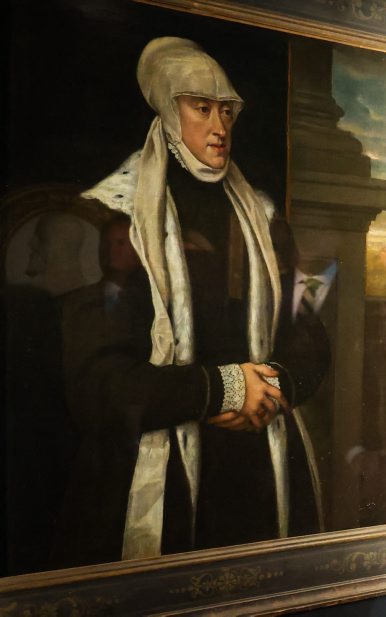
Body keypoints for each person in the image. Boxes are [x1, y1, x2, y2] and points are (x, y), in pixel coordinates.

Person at [55, 37, 328, 566]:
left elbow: (309, 333)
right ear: (166, 108)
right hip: (154, 468)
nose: (219, 126)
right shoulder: (113, 215)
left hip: (257, 460)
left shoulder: (263, 218)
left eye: (227, 111)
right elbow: (98, 383)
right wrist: (225, 388)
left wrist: (272, 385)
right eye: (201, 108)